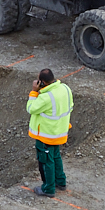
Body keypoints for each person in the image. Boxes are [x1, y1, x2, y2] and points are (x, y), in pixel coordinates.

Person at [27, 68, 74, 197]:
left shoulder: (45, 97)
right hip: (59, 132)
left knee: (46, 161)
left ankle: (48, 189)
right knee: (56, 157)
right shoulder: (65, 88)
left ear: (42, 82)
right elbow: (70, 106)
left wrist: (34, 92)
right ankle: (61, 182)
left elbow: (31, 108)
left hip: (46, 135)